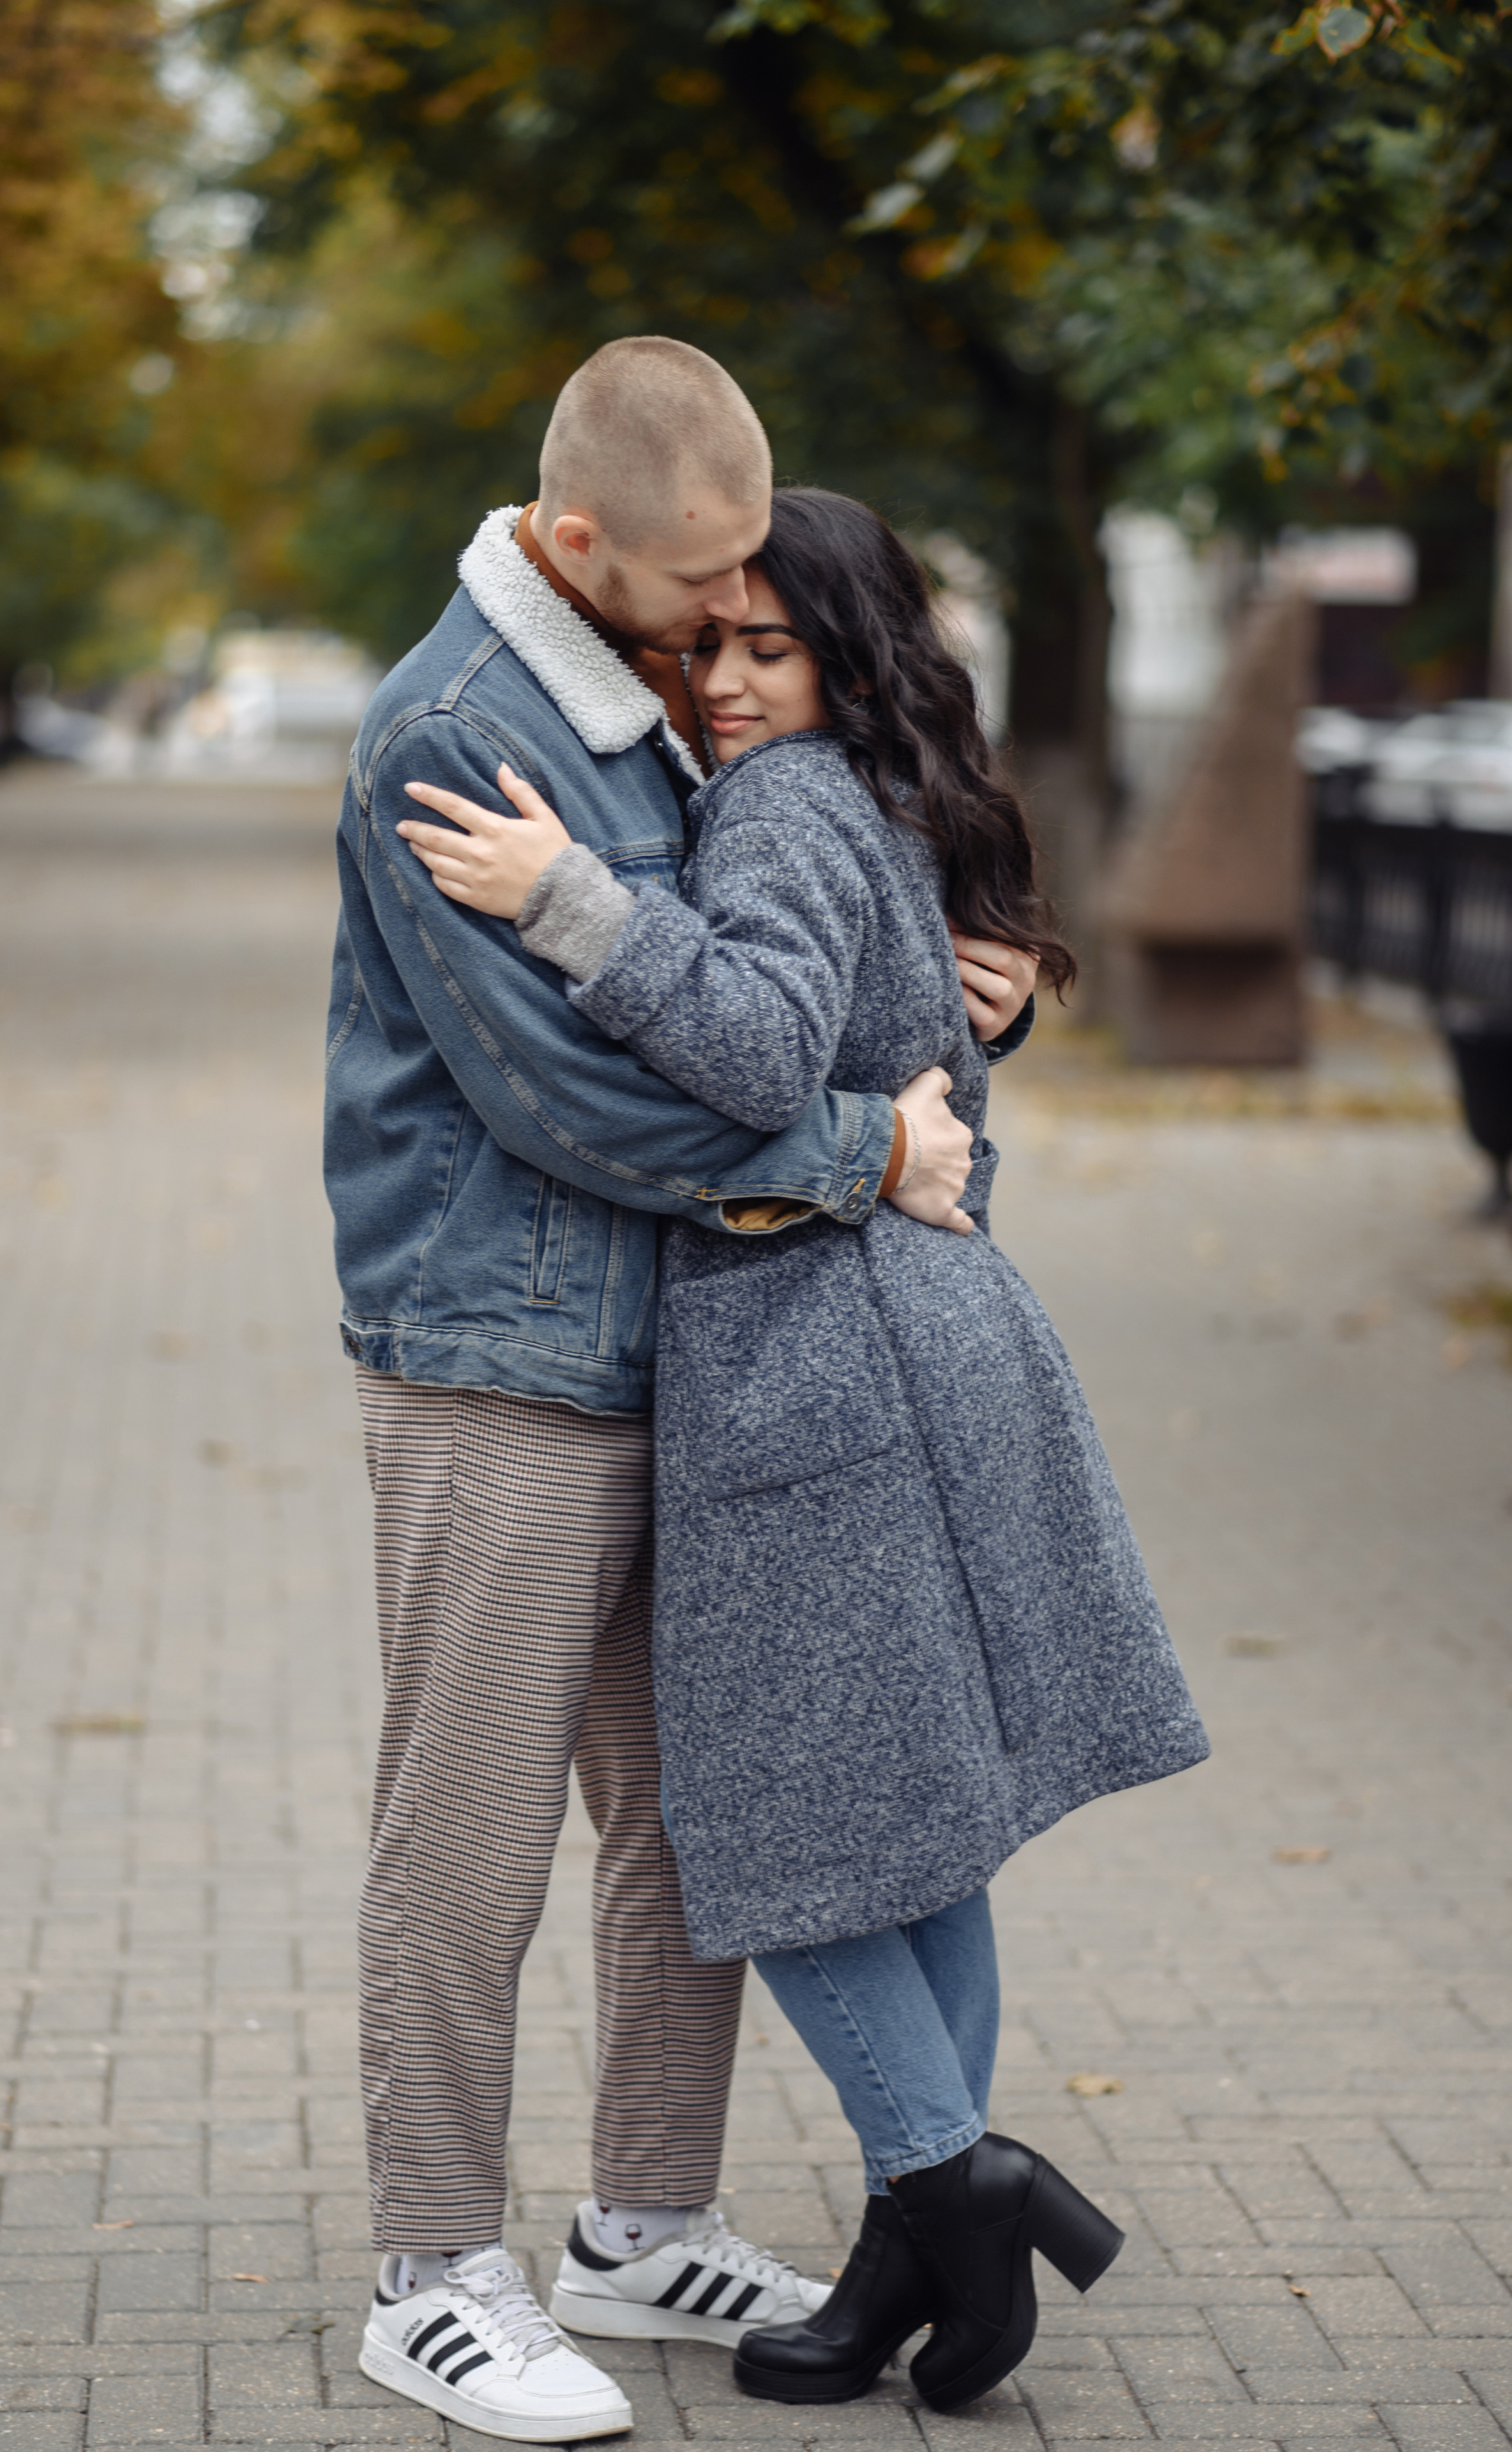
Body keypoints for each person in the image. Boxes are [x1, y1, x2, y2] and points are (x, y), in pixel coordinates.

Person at [397, 485, 1213, 2418]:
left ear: (851, 655)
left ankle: (955, 2182)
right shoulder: (895, 806)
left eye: (773, 646)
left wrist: (572, 904)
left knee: (788, 1839)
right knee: (912, 1824)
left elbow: (765, 1059)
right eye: (712, 644)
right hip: (923, 1344)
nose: (728, 678)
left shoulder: (770, 801)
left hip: (818, 1378)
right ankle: (916, 2243)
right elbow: (921, 1080)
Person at [325, 342, 1040, 2437]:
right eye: (697, 585)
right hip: (503, 1358)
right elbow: (565, 1102)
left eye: (758, 588)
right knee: (465, 1833)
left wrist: (970, 992)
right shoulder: (457, 729)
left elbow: (779, 963)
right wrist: (869, 1157)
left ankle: (642, 2223)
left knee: (692, 1822)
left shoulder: (639, 690)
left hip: (693, 1349)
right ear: (575, 544)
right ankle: (433, 2269)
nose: (732, 627)